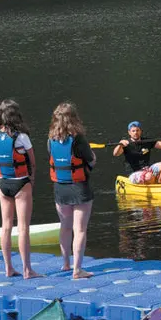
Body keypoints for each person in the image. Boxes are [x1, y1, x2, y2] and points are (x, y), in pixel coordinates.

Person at [0, 99, 42, 279]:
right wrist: (32, 180)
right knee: (23, 228)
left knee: (5, 227)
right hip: (21, 183)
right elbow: (33, 163)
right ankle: (27, 270)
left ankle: (8, 268)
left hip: (3, 184)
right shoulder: (22, 137)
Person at [48, 102, 96, 279]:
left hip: (60, 188)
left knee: (65, 227)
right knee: (80, 229)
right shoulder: (79, 139)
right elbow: (91, 161)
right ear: (73, 118)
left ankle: (66, 264)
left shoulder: (50, 139)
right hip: (79, 188)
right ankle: (77, 270)